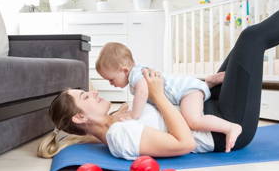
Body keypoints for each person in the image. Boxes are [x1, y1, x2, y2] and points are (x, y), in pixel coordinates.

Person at [41, 0, 279, 159]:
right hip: (226, 125)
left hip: (209, 106)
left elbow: (173, 100)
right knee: (251, 39)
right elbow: (184, 143)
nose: (93, 90)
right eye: (84, 95)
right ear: (80, 117)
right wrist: (159, 97)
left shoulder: (120, 118)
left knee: (243, 45)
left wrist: (199, 83)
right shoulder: (120, 135)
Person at [95, 42, 242, 150]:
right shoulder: (137, 73)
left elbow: (142, 93)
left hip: (187, 92)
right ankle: (208, 82)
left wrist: (134, 114)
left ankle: (230, 127)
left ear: (124, 70)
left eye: (111, 79)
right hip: (185, 89)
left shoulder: (136, 77)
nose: (111, 84)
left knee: (194, 120)